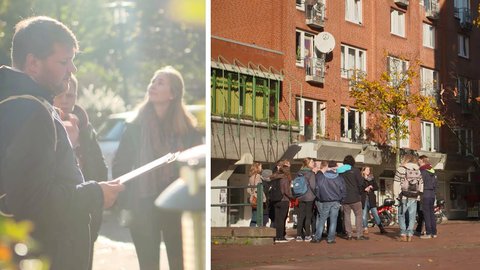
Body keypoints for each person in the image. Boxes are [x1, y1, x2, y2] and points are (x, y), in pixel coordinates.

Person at [0, 16, 124, 270]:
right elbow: (34, 202)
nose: (72, 70)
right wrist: (96, 193)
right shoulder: (31, 112)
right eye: (64, 62)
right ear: (33, 63)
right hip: (47, 256)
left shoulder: (19, 103)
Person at [112, 66, 202, 270]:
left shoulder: (188, 131)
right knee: (148, 265)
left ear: (173, 94)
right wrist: (126, 200)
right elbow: (121, 165)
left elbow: (195, 168)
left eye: (160, 82)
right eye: (152, 81)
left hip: (176, 205)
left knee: (180, 263)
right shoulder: (135, 126)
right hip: (143, 204)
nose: (152, 85)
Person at [53, 74, 108, 269]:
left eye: (71, 95)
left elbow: (99, 167)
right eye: (62, 94)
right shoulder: (45, 123)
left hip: (86, 212)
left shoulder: (85, 126)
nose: (66, 100)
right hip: (58, 211)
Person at [311, 161, 346, 244]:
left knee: (322, 219)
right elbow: (343, 190)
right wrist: (342, 200)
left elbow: (318, 188)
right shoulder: (339, 177)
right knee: (333, 220)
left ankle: (317, 237)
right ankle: (330, 238)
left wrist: (321, 197)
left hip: (326, 200)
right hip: (336, 201)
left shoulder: (323, 177)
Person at [337, 155, 368, 240]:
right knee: (358, 215)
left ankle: (349, 234)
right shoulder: (355, 171)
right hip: (355, 197)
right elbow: (361, 182)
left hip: (344, 198)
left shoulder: (340, 172)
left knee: (347, 215)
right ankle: (359, 234)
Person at [394, 154, 423, 242]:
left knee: (401, 215)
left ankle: (403, 233)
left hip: (403, 196)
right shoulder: (418, 170)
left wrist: (396, 195)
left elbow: (396, 183)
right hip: (414, 196)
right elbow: (421, 184)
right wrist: (419, 195)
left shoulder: (400, 169)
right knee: (412, 216)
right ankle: (410, 234)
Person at [270, 160, 293, 243]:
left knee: (277, 219)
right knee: (282, 219)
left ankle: (276, 236)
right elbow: (286, 191)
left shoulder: (275, 177)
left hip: (275, 200)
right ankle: (281, 237)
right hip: (284, 200)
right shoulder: (284, 178)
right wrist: (292, 197)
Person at [361, 166, 387, 234]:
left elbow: (376, 187)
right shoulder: (360, 179)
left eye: (369, 170)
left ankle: (381, 228)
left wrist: (371, 187)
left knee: (375, 214)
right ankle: (365, 228)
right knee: (364, 214)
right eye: (367, 170)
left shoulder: (372, 179)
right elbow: (358, 189)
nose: (368, 171)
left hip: (371, 198)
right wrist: (364, 189)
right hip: (364, 198)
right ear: (363, 171)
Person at [295, 158, 316, 241]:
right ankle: (307, 235)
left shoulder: (299, 173)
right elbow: (313, 186)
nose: (313, 163)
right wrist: (315, 194)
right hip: (309, 196)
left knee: (301, 216)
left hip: (300, 196)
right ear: (307, 163)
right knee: (308, 216)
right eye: (312, 162)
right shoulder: (310, 173)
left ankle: (299, 235)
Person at [417, 155, 438, 239]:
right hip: (432, 194)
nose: (418, 161)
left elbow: (419, 183)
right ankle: (434, 232)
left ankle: (428, 233)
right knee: (431, 213)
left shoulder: (422, 171)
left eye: (419, 160)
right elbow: (436, 184)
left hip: (425, 193)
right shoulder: (433, 171)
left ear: (422, 160)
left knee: (426, 213)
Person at [247, 162, 268, 227]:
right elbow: (258, 188)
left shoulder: (251, 177)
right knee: (256, 216)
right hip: (258, 198)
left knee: (254, 215)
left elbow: (248, 189)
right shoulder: (258, 176)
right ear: (257, 168)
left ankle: (252, 230)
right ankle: (253, 231)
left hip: (253, 198)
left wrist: (252, 194)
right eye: (260, 166)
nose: (261, 168)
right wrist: (264, 198)